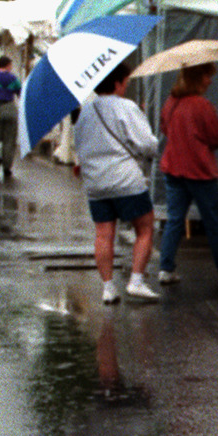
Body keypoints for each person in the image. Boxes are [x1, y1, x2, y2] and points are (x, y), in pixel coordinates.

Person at [73, 61, 159, 304]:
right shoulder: (127, 107)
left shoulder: (85, 112)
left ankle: (108, 288)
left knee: (103, 234)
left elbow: (80, 147)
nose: (126, 86)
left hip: (96, 183)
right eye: (126, 82)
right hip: (125, 180)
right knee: (144, 227)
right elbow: (146, 144)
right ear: (118, 82)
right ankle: (136, 281)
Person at [155, 62, 218, 285]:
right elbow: (217, 136)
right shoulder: (202, 105)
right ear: (198, 77)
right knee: (213, 220)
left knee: (175, 219)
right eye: (207, 75)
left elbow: (165, 128)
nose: (210, 80)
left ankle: (165, 268)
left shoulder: (171, 103)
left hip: (173, 167)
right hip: (200, 170)